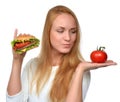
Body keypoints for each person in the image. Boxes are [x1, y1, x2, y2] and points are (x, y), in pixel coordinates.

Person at [6, 5, 117, 102]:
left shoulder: (81, 71)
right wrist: (17, 61)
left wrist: (80, 69)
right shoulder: (32, 65)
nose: (68, 38)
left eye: (73, 31)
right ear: (47, 32)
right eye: (60, 31)